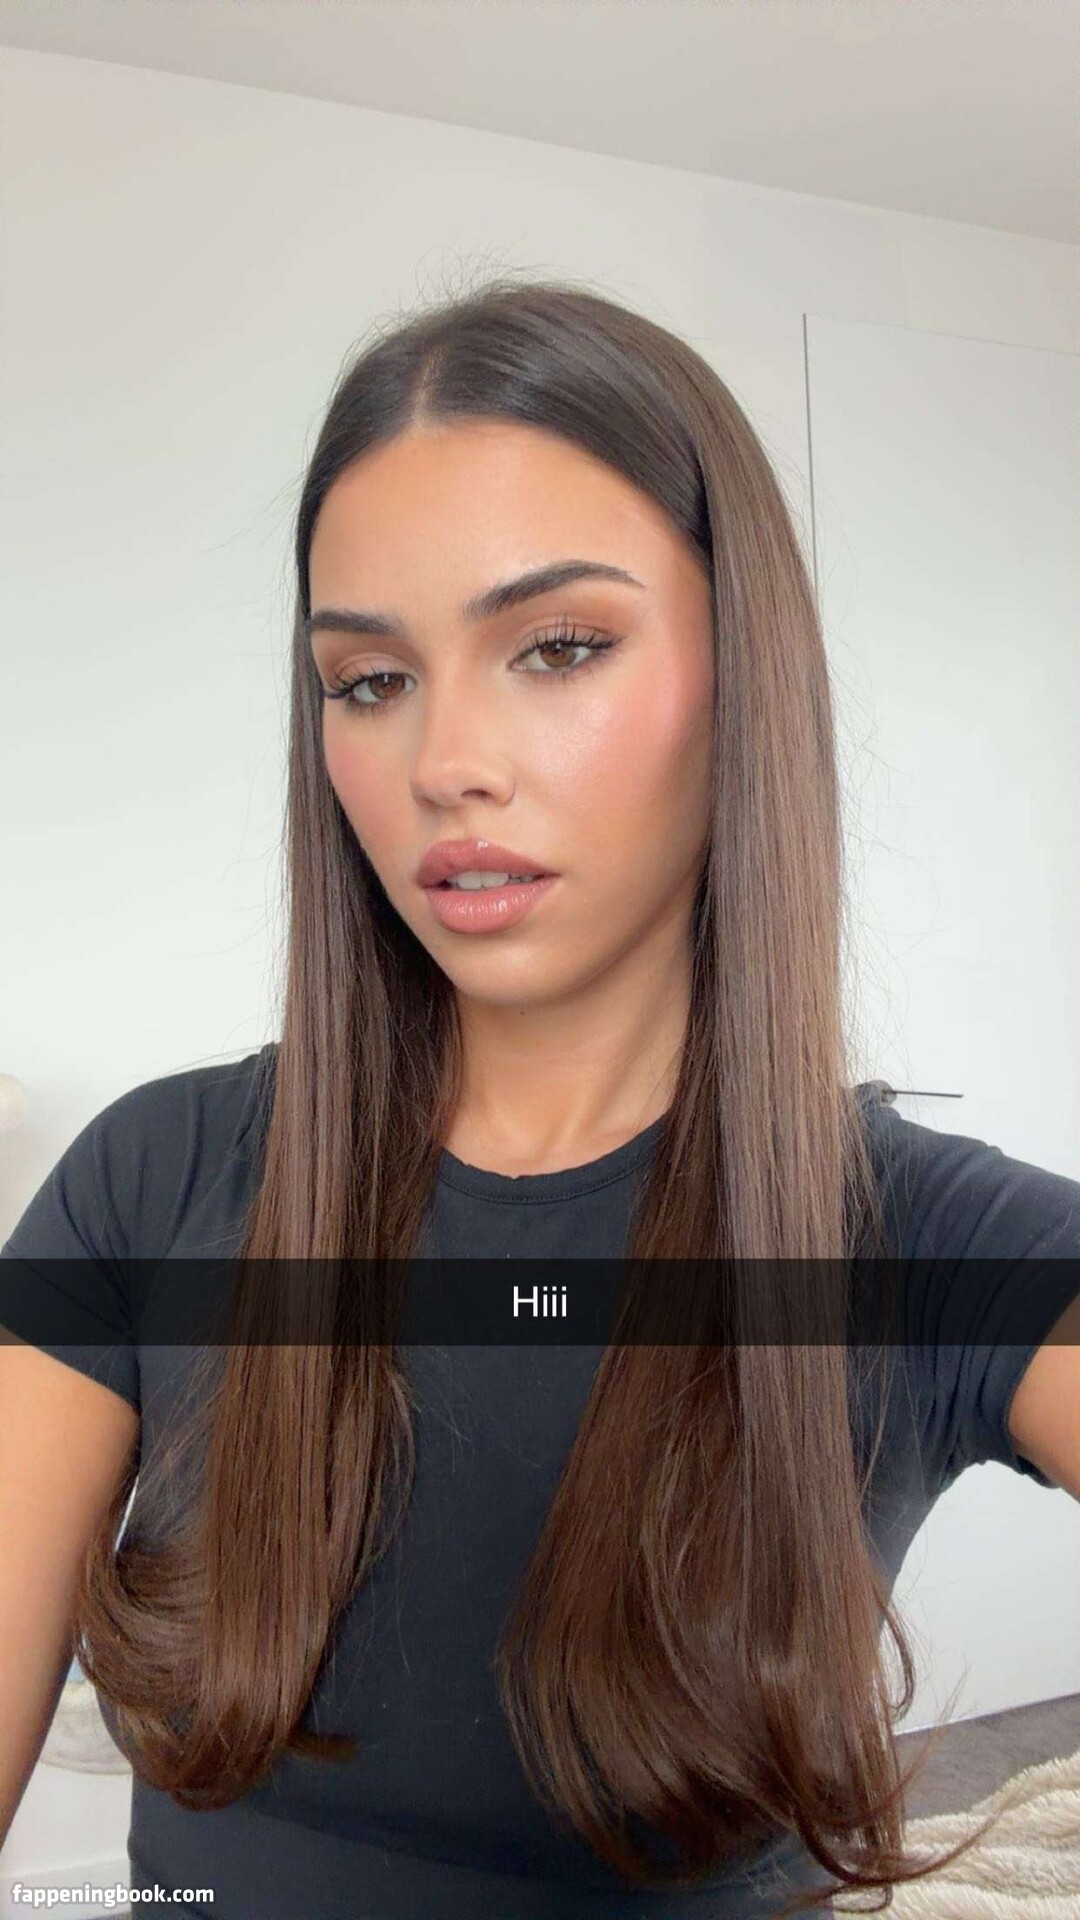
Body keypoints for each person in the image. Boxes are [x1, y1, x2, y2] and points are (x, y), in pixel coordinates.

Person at [2, 275, 1078, 1920]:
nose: (446, 761)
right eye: (370, 679)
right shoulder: (151, 1177)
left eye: (559, 647)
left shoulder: (926, 1239)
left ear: (743, 671)